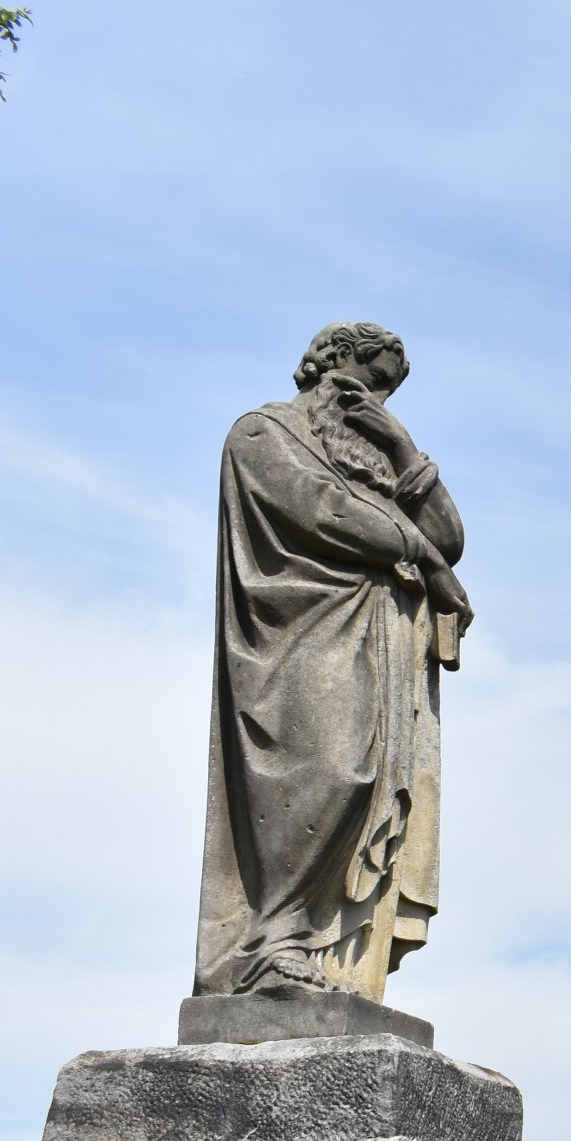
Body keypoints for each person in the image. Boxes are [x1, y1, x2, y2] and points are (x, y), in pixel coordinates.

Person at [193, 322, 473, 1002]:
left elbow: (450, 536)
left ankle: (319, 962)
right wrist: (421, 557)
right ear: (331, 366)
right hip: (300, 641)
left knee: (373, 783)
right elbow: (325, 514)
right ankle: (267, 945)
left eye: (387, 396)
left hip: (380, 650)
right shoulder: (262, 435)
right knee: (334, 772)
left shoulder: (379, 458)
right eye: (366, 386)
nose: (374, 405)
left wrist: (400, 446)